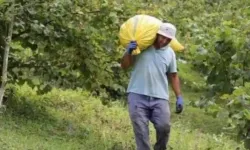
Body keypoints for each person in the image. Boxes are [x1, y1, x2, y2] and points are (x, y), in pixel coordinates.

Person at [120, 22, 184, 150]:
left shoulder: (170, 53)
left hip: (160, 97)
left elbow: (173, 75)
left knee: (164, 127)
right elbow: (124, 66)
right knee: (141, 132)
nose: (164, 40)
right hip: (137, 95)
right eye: (162, 36)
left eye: (168, 39)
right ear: (157, 34)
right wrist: (128, 52)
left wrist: (179, 97)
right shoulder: (142, 46)